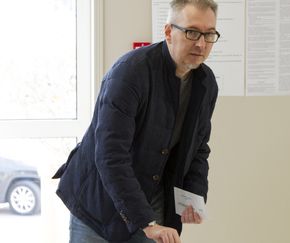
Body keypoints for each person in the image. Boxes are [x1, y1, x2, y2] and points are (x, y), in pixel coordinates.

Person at [52, 0, 220, 242]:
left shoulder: (205, 83)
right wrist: (146, 222)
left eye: (209, 34)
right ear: (168, 32)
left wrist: (193, 196)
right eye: (192, 32)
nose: (201, 43)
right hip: (98, 201)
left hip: (150, 193)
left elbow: (198, 148)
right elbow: (110, 155)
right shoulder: (131, 72)